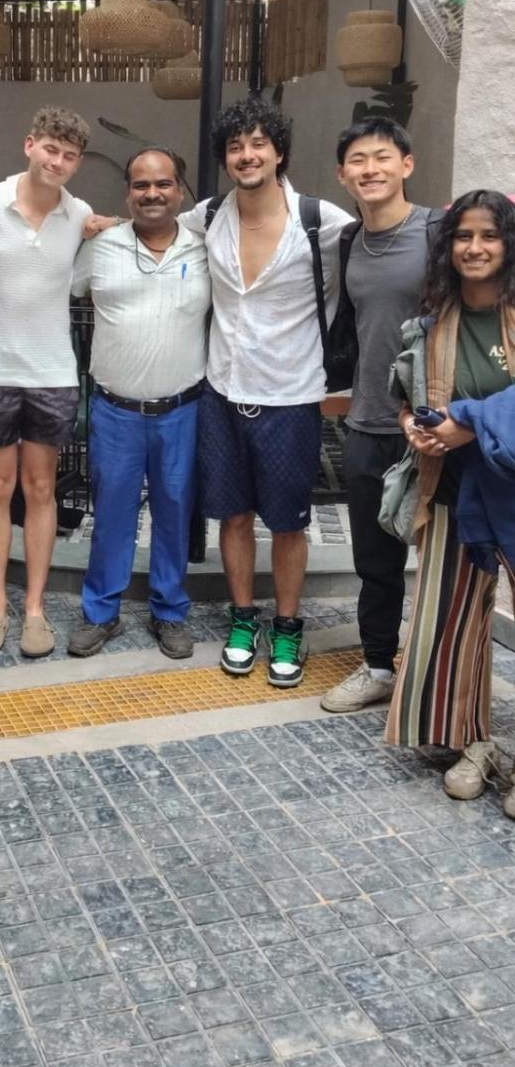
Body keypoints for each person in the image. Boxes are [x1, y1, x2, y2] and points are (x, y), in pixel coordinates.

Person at [185, 95, 352, 687]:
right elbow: (152, 230)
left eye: (259, 143)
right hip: (222, 392)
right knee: (233, 516)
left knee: (287, 522)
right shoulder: (208, 216)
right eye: (235, 147)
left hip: (291, 395)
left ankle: (286, 626)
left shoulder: (321, 221)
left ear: (279, 152)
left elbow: (384, 243)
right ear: (225, 159)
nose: (247, 155)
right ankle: (242, 619)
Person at [386, 189, 515, 812]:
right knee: (454, 621)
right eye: (463, 236)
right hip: (453, 492)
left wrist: (468, 420)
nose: (475, 248)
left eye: (489, 235)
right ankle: (474, 741)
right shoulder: (434, 318)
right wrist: (415, 425)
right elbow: (407, 391)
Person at [0, 106, 100, 659]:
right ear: (30, 145)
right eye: (50, 150)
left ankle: (34, 609)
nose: (57, 162)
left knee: (41, 488)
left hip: (52, 372)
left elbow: (101, 236)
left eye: (69, 156)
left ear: (78, 162)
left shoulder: (78, 213)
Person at [68, 148, 210, 658]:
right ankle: (100, 612)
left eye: (163, 184)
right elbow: (67, 288)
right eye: (141, 185)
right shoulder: (100, 245)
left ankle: (169, 611)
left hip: (182, 411)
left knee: (175, 512)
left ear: (180, 191)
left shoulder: (204, 247)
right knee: (111, 515)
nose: (152, 194)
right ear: (128, 192)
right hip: (115, 412)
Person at [322, 119, 442, 714]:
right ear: (342, 175)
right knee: (375, 560)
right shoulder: (349, 241)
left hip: (435, 428)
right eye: (358, 161)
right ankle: (377, 666)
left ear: (406, 165)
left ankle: (440, 678)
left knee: (446, 559)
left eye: (382, 157)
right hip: (368, 421)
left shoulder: (439, 232)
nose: (370, 169)